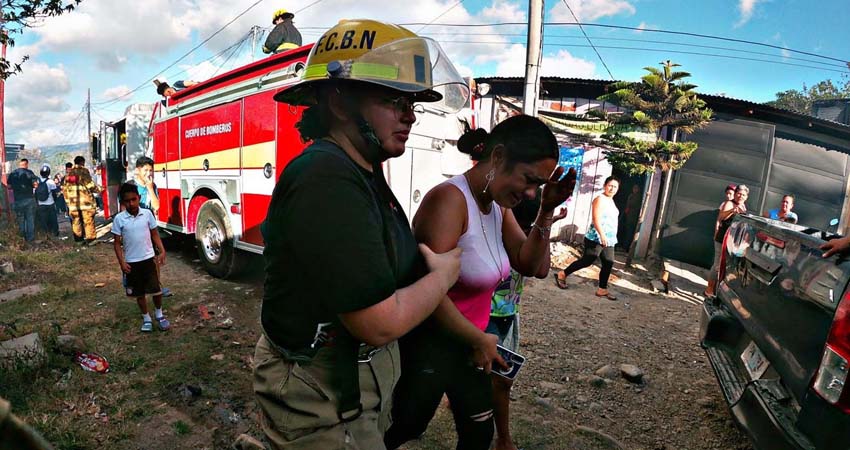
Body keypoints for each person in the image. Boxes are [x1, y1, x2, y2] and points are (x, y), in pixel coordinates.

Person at [253, 19, 468, 449]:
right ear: (337, 100)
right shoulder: (326, 178)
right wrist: (444, 274)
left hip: (352, 386)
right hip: (324, 396)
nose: (409, 114)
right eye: (393, 100)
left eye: (412, 102)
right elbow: (378, 322)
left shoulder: (362, 169)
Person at [384, 116, 577, 450]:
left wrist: (546, 211)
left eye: (539, 186)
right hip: (431, 346)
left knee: (478, 434)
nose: (531, 193)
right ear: (498, 157)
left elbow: (534, 266)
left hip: (474, 344)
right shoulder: (449, 201)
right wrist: (479, 338)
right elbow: (430, 289)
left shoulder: (497, 207)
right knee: (404, 428)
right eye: (529, 180)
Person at [488, 195, 567, 450]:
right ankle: (504, 440)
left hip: (508, 317)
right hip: (483, 317)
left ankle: (502, 438)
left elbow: (542, 270)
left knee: (501, 379)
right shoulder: (496, 238)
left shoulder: (528, 239)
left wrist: (544, 227)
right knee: (502, 381)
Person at [111, 182, 169, 333]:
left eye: (133, 199)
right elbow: (117, 244)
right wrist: (122, 263)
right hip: (132, 262)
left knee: (156, 290)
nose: (131, 203)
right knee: (139, 293)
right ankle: (146, 318)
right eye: (127, 201)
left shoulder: (147, 214)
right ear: (123, 202)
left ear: (138, 198)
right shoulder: (119, 219)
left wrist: (162, 251)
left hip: (149, 259)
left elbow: (155, 234)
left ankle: (159, 314)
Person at [554, 176, 620, 300]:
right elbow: (596, 219)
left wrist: (609, 237)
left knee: (608, 262)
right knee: (588, 260)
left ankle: (602, 289)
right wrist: (602, 235)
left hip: (609, 239)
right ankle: (562, 274)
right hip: (596, 237)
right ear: (605, 185)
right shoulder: (599, 199)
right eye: (610, 185)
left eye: (615, 186)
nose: (612, 188)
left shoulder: (611, 201)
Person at [127, 156, 171, 297]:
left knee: (154, 257)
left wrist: (150, 188)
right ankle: (138, 287)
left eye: (151, 170)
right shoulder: (130, 186)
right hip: (133, 229)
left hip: (149, 228)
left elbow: (156, 206)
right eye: (145, 170)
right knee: (137, 260)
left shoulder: (153, 186)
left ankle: (157, 286)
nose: (149, 173)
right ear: (138, 170)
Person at [705, 184, 749, 297]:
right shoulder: (729, 203)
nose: (741, 196)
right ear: (735, 193)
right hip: (722, 239)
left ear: (746, 197)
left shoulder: (743, 207)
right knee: (717, 265)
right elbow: (721, 218)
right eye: (739, 193)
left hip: (733, 242)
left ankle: (719, 291)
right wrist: (732, 211)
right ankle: (709, 290)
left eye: (743, 194)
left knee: (727, 266)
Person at [63, 156, 100, 244]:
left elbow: (65, 189)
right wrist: (99, 189)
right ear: (82, 162)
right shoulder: (84, 171)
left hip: (73, 203)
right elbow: (90, 185)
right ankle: (91, 240)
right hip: (85, 202)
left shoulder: (69, 173)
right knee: (88, 220)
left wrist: (68, 202)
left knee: (76, 221)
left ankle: (78, 240)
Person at [7, 158, 38, 242]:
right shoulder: (30, 173)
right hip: (29, 199)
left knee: (21, 219)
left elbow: (9, 186)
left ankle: (22, 239)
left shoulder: (13, 174)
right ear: (26, 164)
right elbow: (35, 185)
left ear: (19, 164)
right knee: (30, 219)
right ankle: (30, 239)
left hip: (18, 200)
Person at [35, 165, 59, 237]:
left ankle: (45, 234)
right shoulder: (51, 181)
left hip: (41, 204)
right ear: (48, 173)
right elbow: (54, 193)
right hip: (50, 203)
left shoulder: (37, 181)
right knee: (53, 219)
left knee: (43, 220)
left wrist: (37, 202)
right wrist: (55, 200)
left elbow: (35, 193)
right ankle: (54, 233)